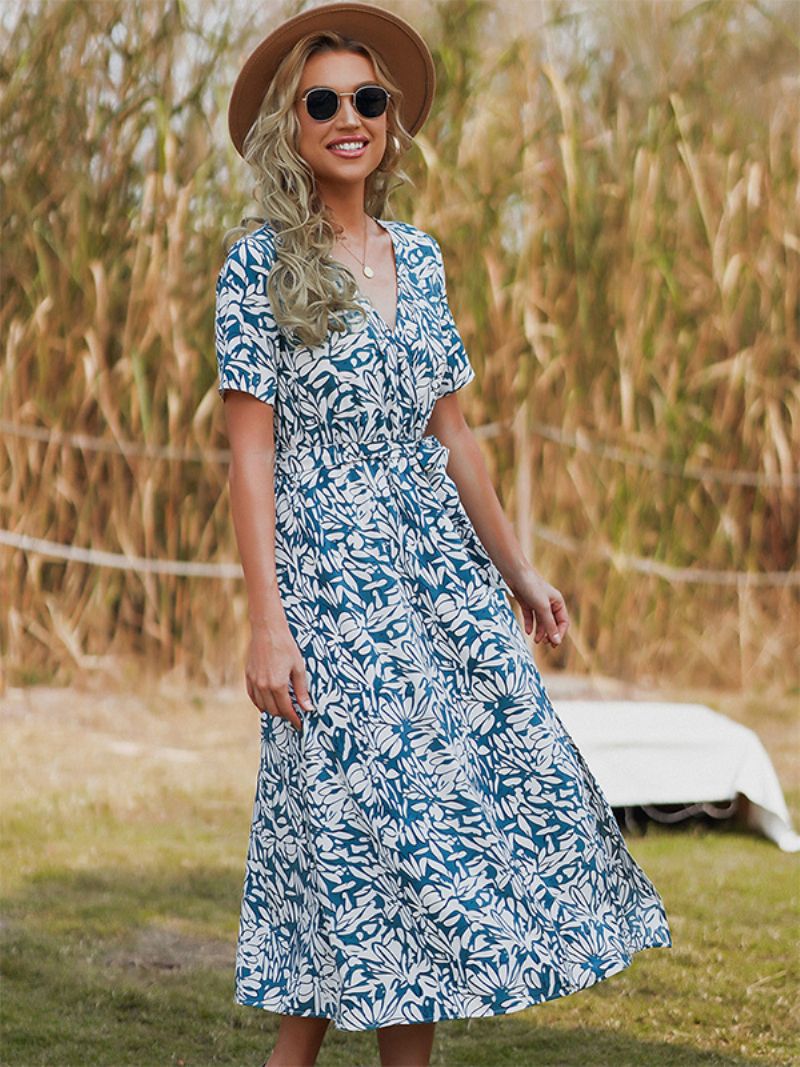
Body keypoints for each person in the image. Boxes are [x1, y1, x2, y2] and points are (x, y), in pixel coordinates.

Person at [215, 4, 672, 1066]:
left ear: (389, 122)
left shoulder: (419, 261)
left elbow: (454, 435)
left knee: (459, 812)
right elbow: (249, 456)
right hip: (331, 585)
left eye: (367, 100)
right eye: (322, 102)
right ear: (291, 125)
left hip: (436, 582)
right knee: (359, 828)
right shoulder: (256, 266)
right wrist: (265, 623)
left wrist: (520, 571)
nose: (348, 118)